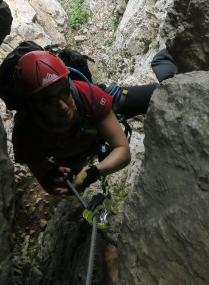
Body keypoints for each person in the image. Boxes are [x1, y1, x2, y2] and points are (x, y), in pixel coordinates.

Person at [12, 50, 131, 196]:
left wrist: (93, 172)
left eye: (64, 92)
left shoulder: (87, 94)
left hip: (96, 118)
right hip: (69, 159)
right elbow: (47, 183)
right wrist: (55, 178)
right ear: (32, 106)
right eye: (48, 101)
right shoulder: (25, 133)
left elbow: (123, 151)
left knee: (147, 95)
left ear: (68, 85)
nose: (62, 106)